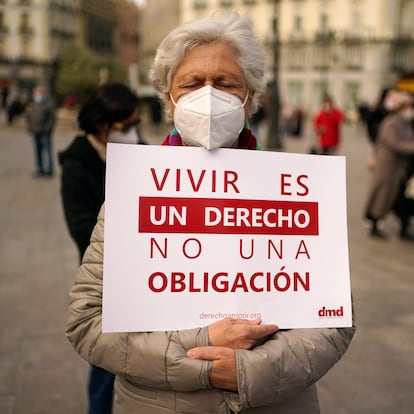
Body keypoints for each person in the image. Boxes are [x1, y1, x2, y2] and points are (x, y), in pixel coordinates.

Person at [66, 13, 355, 414]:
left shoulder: (295, 191)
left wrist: (247, 369)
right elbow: (86, 323)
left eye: (225, 83)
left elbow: (334, 319)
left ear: (250, 97)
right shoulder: (132, 194)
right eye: (191, 83)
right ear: (169, 100)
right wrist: (202, 350)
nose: (208, 95)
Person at [59, 81, 141, 414]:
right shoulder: (78, 164)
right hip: (107, 279)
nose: (135, 132)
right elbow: (82, 229)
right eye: (128, 125)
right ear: (103, 124)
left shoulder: (139, 151)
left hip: (146, 274)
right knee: (108, 363)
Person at [364, 90, 414, 240]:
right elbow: (394, 143)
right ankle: (374, 222)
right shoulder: (390, 122)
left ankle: (399, 224)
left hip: (398, 167)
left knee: (394, 196)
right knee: (381, 194)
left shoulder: (404, 123)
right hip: (386, 166)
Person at [26, 85, 56, 176]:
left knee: (47, 151)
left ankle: (50, 170)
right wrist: (30, 127)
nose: (36, 95)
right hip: (36, 132)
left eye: (38, 93)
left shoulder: (48, 103)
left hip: (45, 133)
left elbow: (52, 118)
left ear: (42, 93)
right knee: (38, 152)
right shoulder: (33, 103)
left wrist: (47, 129)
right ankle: (40, 169)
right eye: (35, 93)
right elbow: (29, 116)